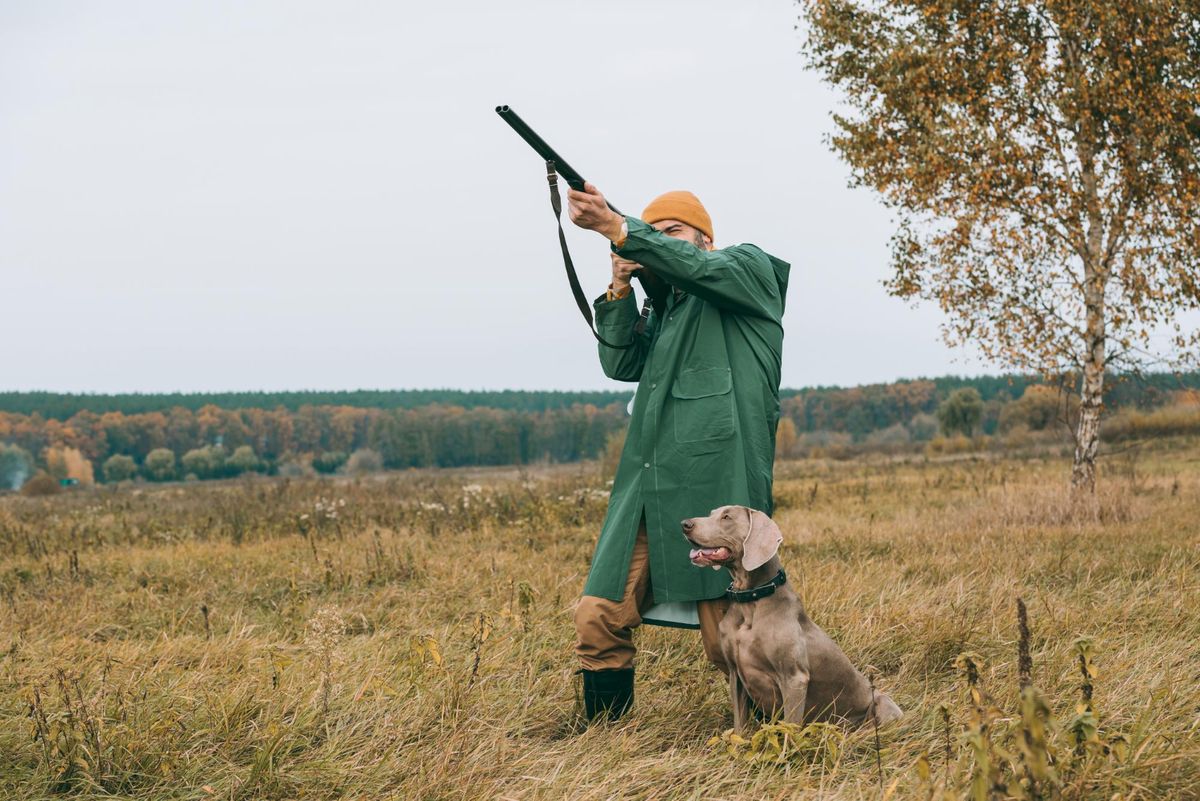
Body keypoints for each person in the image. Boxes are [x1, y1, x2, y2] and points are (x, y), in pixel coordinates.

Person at [565, 183, 790, 721]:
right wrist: (620, 287)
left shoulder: (747, 271)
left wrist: (623, 230)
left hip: (717, 493)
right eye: (652, 232)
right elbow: (620, 365)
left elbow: (695, 269)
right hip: (649, 489)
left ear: (705, 241)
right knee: (597, 614)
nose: (658, 242)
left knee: (732, 642)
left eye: (673, 233)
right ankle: (606, 742)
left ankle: (780, 738)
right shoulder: (663, 310)